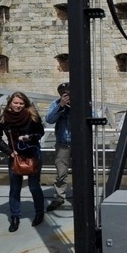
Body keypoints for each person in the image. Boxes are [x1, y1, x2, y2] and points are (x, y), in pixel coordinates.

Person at [0, 92, 46, 232]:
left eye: (21, 103)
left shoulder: (32, 116)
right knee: (15, 188)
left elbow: (41, 133)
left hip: (33, 154)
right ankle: (15, 216)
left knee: (34, 186)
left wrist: (29, 137)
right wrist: (9, 151)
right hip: (15, 156)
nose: (18, 106)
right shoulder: (3, 118)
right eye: (15, 103)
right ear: (10, 103)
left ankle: (39, 212)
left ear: (25, 104)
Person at [44, 82, 71, 211]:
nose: (66, 96)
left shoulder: (82, 102)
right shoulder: (56, 104)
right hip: (63, 143)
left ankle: (82, 195)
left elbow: (93, 116)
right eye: (64, 94)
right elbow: (49, 119)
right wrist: (60, 106)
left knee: (83, 171)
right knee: (61, 172)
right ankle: (59, 196)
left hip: (80, 143)